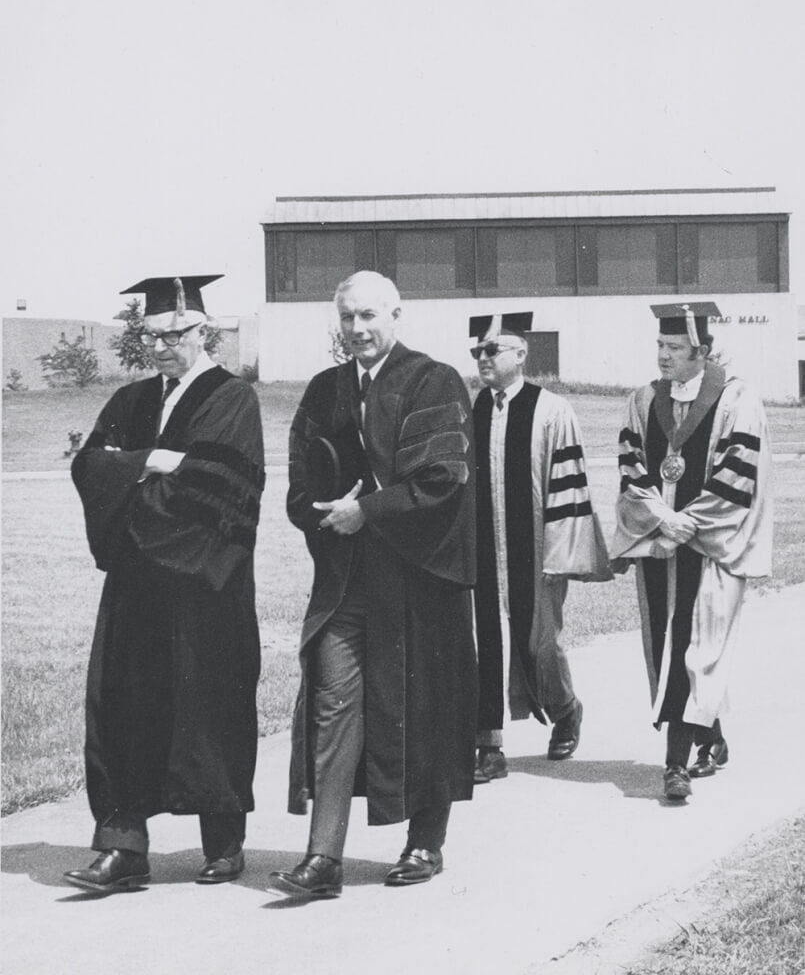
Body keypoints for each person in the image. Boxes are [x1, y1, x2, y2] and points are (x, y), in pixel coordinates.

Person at [270, 270, 477, 898]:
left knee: (421, 706)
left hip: (418, 580)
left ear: (396, 314)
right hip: (346, 582)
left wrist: (368, 510)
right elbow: (299, 487)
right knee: (334, 706)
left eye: (369, 316)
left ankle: (424, 842)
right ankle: (323, 857)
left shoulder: (432, 380)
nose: (358, 329)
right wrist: (318, 510)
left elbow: (442, 478)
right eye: (348, 318)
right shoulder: (324, 390)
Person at [65, 275, 265, 893]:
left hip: (206, 582)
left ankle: (224, 842)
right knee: (123, 702)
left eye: (175, 334)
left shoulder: (231, 398)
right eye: (151, 335)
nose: (162, 345)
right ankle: (124, 847)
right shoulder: (130, 400)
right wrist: (150, 461)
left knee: (212, 702)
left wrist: (137, 479)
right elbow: (91, 465)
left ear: (203, 332)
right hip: (137, 587)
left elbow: (224, 485)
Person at [610, 302, 773, 801]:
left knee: (695, 647)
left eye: (675, 348)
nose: (663, 356)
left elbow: (737, 475)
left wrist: (686, 525)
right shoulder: (643, 400)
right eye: (660, 346)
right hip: (661, 545)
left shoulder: (736, 400)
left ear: (701, 350)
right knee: (668, 645)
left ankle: (674, 764)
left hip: (709, 551)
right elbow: (631, 467)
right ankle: (712, 738)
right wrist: (662, 519)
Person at [470, 314, 611, 783]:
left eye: (493, 350)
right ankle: (487, 744)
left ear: (520, 354)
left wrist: (561, 555)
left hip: (538, 550)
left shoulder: (552, 410)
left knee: (540, 641)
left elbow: (570, 488)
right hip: (487, 551)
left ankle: (566, 708)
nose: (483, 358)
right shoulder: (474, 410)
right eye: (478, 352)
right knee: (483, 641)